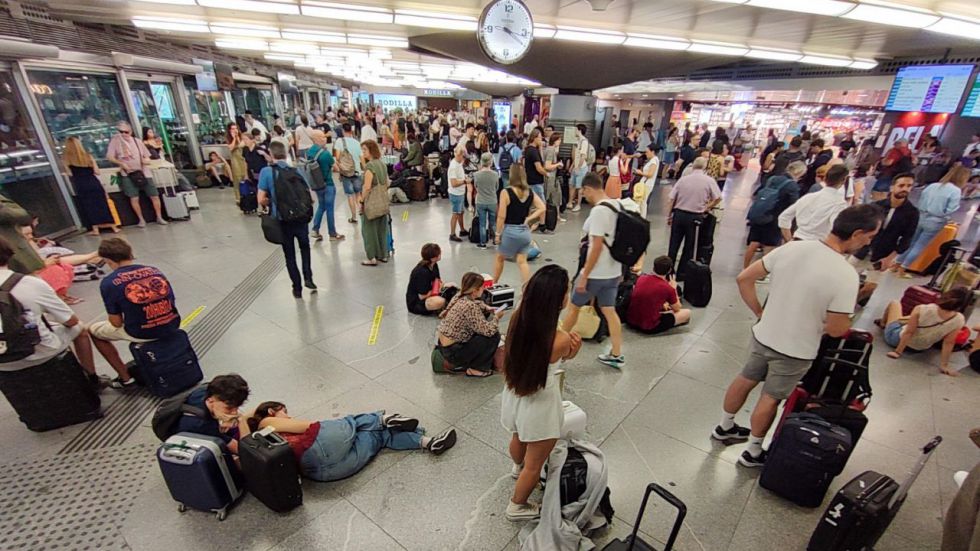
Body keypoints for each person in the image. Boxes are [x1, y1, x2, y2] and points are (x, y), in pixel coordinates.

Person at [714, 205, 881, 467]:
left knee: (746, 378)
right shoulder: (846, 275)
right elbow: (837, 329)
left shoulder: (794, 247)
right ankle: (753, 452)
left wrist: (760, 311)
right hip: (796, 349)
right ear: (857, 233)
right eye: (869, 237)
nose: (868, 242)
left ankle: (724, 427)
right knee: (770, 397)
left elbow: (744, 278)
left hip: (763, 333)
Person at [501, 264, 582, 521]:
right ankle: (518, 505)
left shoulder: (519, 315)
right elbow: (565, 354)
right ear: (559, 299)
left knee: (518, 436)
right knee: (535, 464)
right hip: (541, 403)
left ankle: (517, 467)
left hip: (515, 392)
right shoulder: (559, 339)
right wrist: (574, 347)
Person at [248, 402, 455, 482]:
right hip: (316, 445)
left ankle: (429, 443)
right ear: (271, 411)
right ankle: (384, 418)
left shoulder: (255, 444)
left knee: (379, 438)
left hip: (322, 474)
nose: (288, 415)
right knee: (352, 421)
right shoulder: (266, 422)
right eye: (285, 411)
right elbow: (308, 427)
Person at [0, 237, 106, 387]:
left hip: (2, 362)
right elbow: (71, 320)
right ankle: (92, 378)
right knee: (80, 329)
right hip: (37, 352)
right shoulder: (30, 282)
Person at [88, 238, 182, 389]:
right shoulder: (155, 270)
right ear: (130, 253)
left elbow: (116, 323)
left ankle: (126, 378)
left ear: (107, 260)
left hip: (143, 331)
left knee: (93, 331)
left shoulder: (109, 282)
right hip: (172, 322)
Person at [561, 172, 627, 369]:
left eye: (584, 192)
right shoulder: (618, 205)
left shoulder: (599, 211)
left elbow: (596, 246)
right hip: (613, 272)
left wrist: (584, 275)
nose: (585, 196)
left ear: (588, 188)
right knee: (609, 311)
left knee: (573, 308)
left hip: (595, 274)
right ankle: (616, 353)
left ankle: (556, 347)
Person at [258, 142, 317, 298]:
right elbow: (311, 197)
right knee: (305, 248)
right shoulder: (297, 170)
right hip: (301, 218)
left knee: (289, 254)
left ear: (270, 154)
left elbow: (261, 199)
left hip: (283, 220)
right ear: (285, 154)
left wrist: (271, 202)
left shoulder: (266, 172)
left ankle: (296, 287)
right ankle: (308, 277)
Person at [851, 174, 918, 305]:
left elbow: (907, 238)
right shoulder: (876, 206)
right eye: (901, 185)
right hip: (862, 250)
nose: (905, 189)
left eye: (909, 186)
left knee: (871, 286)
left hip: (882, 255)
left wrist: (890, 258)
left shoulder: (912, 213)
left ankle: (850, 305)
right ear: (892, 187)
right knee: (845, 278)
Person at [895, 165, 968, 278]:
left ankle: (896, 263)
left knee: (910, 241)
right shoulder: (956, 191)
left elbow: (921, 199)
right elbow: (951, 209)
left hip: (920, 215)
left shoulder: (932, 186)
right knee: (920, 244)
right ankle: (903, 268)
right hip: (936, 220)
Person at [878, 288, 969, 377]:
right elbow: (949, 342)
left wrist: (897, 352)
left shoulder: (923, 308)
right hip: (920, 348)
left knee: (895, 303)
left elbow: (909, 332)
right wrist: (944, 365)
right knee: (909, 320)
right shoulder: (959, 319)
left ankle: (882, 323)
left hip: (896, 339)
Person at [436, 272, 505, 377]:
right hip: (453, 352)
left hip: (443, 345)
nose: (484, 289)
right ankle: (476, 369)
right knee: (493, 336)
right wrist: (497, 317)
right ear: (475, 290)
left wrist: (486, 307)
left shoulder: (459, 295)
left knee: (479, 329)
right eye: (483, 287)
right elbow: (489, 330)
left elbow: (475, 303)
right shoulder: (470, 307)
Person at [667, 157, 722, 277]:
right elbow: (718, 197)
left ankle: (668, 270)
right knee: (690, 245)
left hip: (679, 214)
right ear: (705, 167)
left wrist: (669, 215)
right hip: (695, 217)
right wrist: (707, 207)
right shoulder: (709, 181)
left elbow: (672, 198)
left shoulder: (683, 180)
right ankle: (682, 272)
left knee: (673, 244)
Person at [742, 161, 803, 269]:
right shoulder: (792, 186)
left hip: (760, 214)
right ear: (799, 173)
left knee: (754, 243)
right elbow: (795, 204)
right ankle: (761, 273)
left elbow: (759, 192)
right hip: (774, 218)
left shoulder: (773, 178)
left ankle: (745, 267)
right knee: (769, 246)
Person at [106, 121, 166, 227]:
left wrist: (145, 160)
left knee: (154, 195)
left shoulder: (137, 142)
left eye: (126, 132)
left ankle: (159, 216)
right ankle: (141, 219)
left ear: (131, 131)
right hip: (127, 173)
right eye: (121, 132)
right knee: (134, 197)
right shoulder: (115, 142)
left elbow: (147, 156)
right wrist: (121, 163)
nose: (124, 134)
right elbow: (110, 156)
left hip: (143, 172)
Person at [493, 164, 545, 284]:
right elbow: (542, 207)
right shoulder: (530, 192)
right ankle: (527, 288)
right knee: (522, 261)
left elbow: (501, 216)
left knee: (500, 258)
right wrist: (528, 219)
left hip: (509, 232)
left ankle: (493, 284)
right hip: (525, 233)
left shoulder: (506, 192)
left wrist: (497, 234)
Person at [174, 374, 251, 455]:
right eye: (229, 408)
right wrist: (241, 420)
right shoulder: (204, 426)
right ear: (211, 401)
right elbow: (245, 452)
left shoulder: (205, 391)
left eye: (237, 407)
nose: (235, 413)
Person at [62, 137, 119, 236]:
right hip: (93, 182)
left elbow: (70, 173)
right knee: (102, 203)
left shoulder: (66, 159)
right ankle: (113, 226)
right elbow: (97, 171)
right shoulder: (88, 156)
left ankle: (95, 229)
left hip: (81, 184)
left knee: (89, 206)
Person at [778, 164, 849, 242]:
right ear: (843, 181)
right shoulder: (839, 204)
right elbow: (836, 228)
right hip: (818, 243)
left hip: (797, 239)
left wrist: (789, 240)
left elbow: (784, 217)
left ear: (825, 178)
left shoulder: (808, 197)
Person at [626, 255, 691, 334]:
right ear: (669, 270)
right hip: (649, 326)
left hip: (630, 321)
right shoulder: (667, 288)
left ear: (654, 267)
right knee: (687, 313)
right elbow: (677, 308)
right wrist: (674, 289)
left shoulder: (641, 278)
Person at [306, 130, 344, 242]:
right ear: (316, 139)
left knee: (321, 206)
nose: (325, 139)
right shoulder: (325, 154)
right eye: (322, 137)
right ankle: (332, 233)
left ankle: (315, 229)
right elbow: (336, 168)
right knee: (330, 208)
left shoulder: (310, 152)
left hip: (317, 184)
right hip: (328, 184)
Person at [358, 139, 391, 267]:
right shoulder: (382, 164)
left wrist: (361, 201)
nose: (363, 152)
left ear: (371, 150)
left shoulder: (369, 167)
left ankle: (371, 257)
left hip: (371, 203)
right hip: (382, 202)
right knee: (382, 229)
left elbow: (367, 187)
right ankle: (383, 254)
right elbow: (387, 183)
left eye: (365, 150)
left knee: (369, 230)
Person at [407, 243, 453, 316]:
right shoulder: (422, 272)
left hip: (431, 291)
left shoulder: (434, 265)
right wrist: (437, 290)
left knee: (452, 286)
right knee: (440, 301)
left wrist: (443, 287)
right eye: (438, 253)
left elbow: (438, 280)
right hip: (417, 303)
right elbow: (422, 296)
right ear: (433, 258)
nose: (440, 254)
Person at [334, 124, 364, 225]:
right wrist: (364, 169)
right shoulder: (357, 142)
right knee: (358, 193)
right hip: (357, 171)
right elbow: (362, 158)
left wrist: (340, 168)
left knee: (350, 195)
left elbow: (337, 158)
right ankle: (361, 211)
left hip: (346, 172)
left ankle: (354, 217)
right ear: (351, 130)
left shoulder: (339, 142)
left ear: (343, 131)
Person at [473, 152, 499, 249]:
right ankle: (496, 241)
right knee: (493, 223)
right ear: (491, 162)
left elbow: (476, 187)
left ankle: (483, 243)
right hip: (492, 201)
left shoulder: (476, 175)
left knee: (482, 223)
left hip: (480, 201)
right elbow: (496, 187)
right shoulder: (495, 174)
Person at [447, 146, 469, 242]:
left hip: (460, 193)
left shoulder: (458, 163)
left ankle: (462, 229)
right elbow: (454, 183)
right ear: (459, 155)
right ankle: (452, 234)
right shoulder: (453, 166)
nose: (464, 159)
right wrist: (465, 181)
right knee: (455, 213)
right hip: (455, 194)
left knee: (461, 212)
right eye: (463, 156)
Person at [568, 124, 591, 212]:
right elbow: (577, 156)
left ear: (579, 130)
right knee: (572, 184)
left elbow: (583, 156)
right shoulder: (578, 141)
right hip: (576, 166)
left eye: (576, 130)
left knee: (580, 186)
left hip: (581, 167)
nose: (575, 131)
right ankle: (570, 202)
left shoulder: (584, 141)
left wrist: (578, 167)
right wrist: (572, 166)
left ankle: (578, 204)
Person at [633, 144, 660, 219]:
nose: (646, 153)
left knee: (642, 202)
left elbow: (650, 174)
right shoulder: (652, 160)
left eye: (647, 152)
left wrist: (640, 173)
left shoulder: (654, 161)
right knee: (642, 202)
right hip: (645, 183)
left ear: (653, 151)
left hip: (646, 184)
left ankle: (641, 218)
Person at [542, 133, 564, 222]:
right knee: (550, 197)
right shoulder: (551, 150)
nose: (560, 142)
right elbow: (547, 166)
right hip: (550, 177)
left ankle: (556, 216)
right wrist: (558, 164)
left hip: (551, 177)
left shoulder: (548, 149)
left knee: (555, 196)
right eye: (559, 140)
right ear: (555, 140)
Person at [524, 129, 547, 202]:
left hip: (530, 180)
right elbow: (539, 168)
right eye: (540, 137)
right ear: (535, 138)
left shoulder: (528, 149)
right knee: (541, 204)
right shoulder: (533, 151)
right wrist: (546, 174)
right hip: (536, 182)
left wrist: (540, 148)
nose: (541, 139)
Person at [227, 123, 248, 201]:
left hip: (243, 158)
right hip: (235, 160)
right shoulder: (229, 139)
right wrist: (234, 138)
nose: (234, 130)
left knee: (245, 176)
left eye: (235, 128)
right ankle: (239, 198)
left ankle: (247, 195)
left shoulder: (242, 136)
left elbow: (242, 145)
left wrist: (238, 138)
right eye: (232, 129)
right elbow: (231, 148)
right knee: (237, 179)